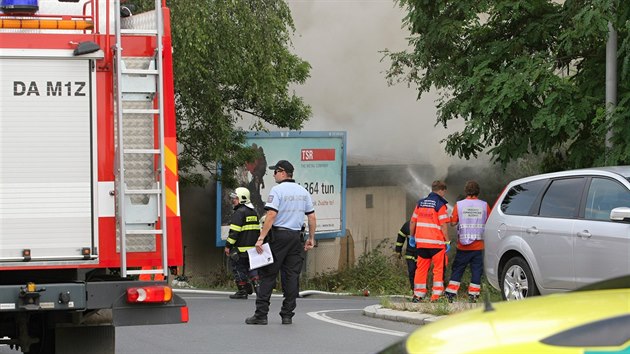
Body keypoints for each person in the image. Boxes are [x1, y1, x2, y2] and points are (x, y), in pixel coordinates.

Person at [245, 160, 316, 325]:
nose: (273, 175)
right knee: (291, 277)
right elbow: (311, 217)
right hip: (296, 238)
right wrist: (311, 238)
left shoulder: (277, 190)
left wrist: (261, 237)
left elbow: (271, 215)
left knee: (268, 275)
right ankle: (287, 315)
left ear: (282, 172)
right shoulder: (303, 191)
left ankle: (261, 315)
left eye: (275, 172)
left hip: (279, 238)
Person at [445, 180, 491, 303]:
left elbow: (453, 222)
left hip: (463, 246)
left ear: (466, 191)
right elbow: (489, 222)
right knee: (476, 271)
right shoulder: (484, 205)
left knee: (458, 270)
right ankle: (473, 296)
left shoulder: (459, 205)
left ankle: (450, 295)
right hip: (479, 246)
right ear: (478, 192)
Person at [410, 180, 450, 302]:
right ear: (441, 190)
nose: (444, 194)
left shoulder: (420, 203)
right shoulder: (440, 205)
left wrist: (412, 237)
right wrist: (447, 241)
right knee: (438, 269)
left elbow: (413, 222)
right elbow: (443, 225)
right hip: (436, 244)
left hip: (421, 243)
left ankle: (418, 295)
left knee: (421, 269)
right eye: (444, 191)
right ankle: (436, 296)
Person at [224, 187, 261, 300]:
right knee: (253, 270)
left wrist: (228, 246)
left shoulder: (239, 213)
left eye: (235, 198)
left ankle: (243, 291)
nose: (233, 201)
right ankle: (259, 291)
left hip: (240, 250)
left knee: (238, 269)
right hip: (252, 250)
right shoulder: (254, 213)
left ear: (242, 199)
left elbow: (234, 233)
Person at [394, 220, 416, 292]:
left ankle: (421, 291)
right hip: (410, 253)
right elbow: (401, 237)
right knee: (412, 271)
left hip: (422, 254)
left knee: (420, 273)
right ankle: (413, 289)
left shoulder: (426, 225)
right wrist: (398, 250)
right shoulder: (407, 225)